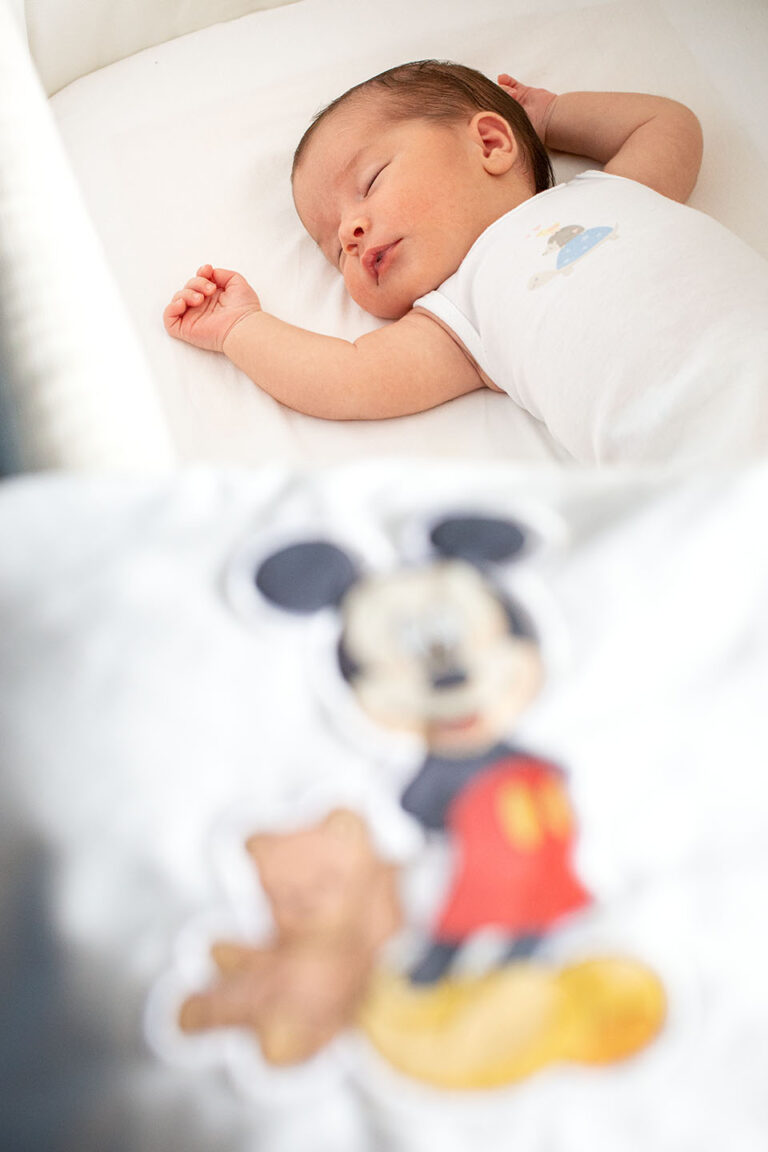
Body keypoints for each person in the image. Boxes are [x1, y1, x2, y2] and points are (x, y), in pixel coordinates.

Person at [163, 61, 768, 463]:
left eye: (370, 181)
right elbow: (344, 378)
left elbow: (667, 124)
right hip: (705, 453)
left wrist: (552, 114)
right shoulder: (459, 316)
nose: (349, 232)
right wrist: (241, 328)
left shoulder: (610, 193)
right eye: (331, 248)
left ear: (490, 143)